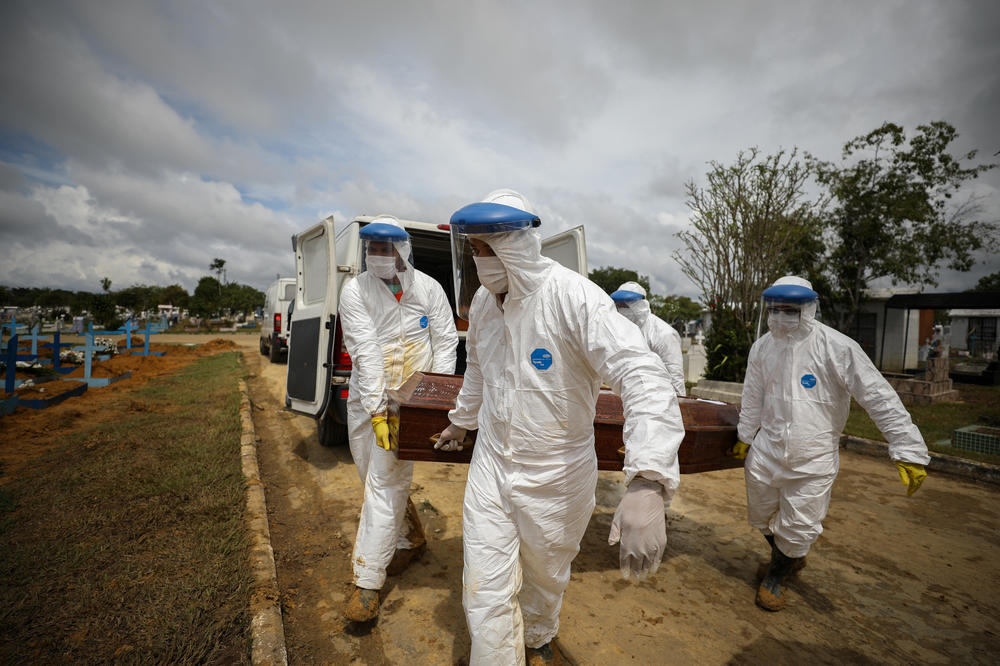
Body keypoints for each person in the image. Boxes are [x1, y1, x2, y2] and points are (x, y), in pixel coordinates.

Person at [434, 189, 685, 664]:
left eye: (489, 249)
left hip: (558, 475)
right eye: (474, 251)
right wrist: (461, 424)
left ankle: (539, 636)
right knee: (484, 588)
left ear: (517, 246)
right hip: (492, 465)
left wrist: (649, 477)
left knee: (546, 576)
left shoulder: (574, 298)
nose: (480, 262)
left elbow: (643, 375)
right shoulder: (485, 306)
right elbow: (479, 374)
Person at [734, 275, 929, 612]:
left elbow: (878, 397)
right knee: (760, 516)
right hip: (767, 451)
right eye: (776, 309)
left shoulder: (838, 348)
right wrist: (744, 436)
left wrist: (907, 448)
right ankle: (788, 557)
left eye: (790, 309)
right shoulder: (762, 347)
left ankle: (776, 577)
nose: (781, 316)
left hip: (813, 458)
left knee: (799, 526)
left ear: (809, 308)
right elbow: (752, 396)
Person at [339, 215, 459, 622]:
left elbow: (444, 344)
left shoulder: (429, 289)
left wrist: (432, 401)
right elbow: (365, 349)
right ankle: (411, 539)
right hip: (365, 400)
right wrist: (375, 408)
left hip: (408, 404)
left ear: (403, 250)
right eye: (372, 248)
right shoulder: (354, 290)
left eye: (386, 248)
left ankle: (366, 584)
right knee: (369, 475)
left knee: (384, 484)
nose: (379, 255)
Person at [610, 281, 686, 397]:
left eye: (626, 305)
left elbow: (675, 374)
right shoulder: (620, 329)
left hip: (659, 397)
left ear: (640, 305)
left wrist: (680, 405)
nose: (622, 310)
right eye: (619, 305)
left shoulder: (663, 334)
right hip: (629, 395)